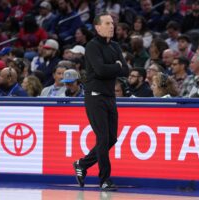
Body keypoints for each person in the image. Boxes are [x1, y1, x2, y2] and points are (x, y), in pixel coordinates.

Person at [73, 12, 129, 191]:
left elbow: (125, 70)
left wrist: (114, 68)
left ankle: (82, 163)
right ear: (97, 27)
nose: (111, 26)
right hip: (95, 97)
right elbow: (100, 70)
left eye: (112, 23)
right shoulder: (92, 46)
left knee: (112, 138)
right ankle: (105, 179)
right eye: (107, 23)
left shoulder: (115, 46)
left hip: (110, 98)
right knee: (103, 138)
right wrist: (116, 67)